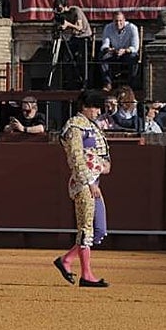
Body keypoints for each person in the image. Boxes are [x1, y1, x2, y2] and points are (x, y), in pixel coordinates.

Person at [53, 90, 112, 288]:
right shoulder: (74, 126)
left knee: (99, 229)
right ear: (84, 107)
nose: (97, 111)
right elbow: (76, 157)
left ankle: (67, 260)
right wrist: (89, 182)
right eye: (94, 107)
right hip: (83, 183)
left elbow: (102, 155)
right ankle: (86, 274)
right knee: (86, 227)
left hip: (94, 182)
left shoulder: (93, 127)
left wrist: (105, 166)